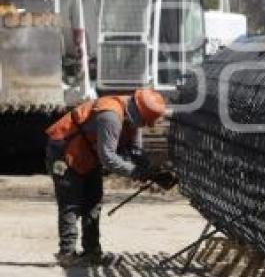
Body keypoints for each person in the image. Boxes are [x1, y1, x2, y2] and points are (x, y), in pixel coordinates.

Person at [45, 89, 174, 267]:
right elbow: (108, 158)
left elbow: (135, 152)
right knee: (71, 203)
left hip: (88, 155)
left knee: (93, 202)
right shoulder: (110, 116)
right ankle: (67, 253)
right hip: (65, 150)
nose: (144, 125)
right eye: (144, 121)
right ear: (138, 112)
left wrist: (153, 172)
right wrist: (138, 173)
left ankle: (92, 253)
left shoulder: (132, 119)